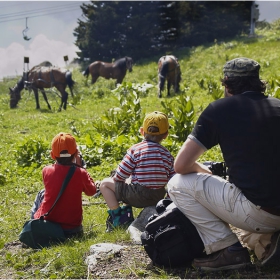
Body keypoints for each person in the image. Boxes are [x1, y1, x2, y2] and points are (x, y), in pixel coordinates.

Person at [167, 57, 280, 271]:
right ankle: (268, 243)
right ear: (258, 81)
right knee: (254, 230)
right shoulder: (277, 105)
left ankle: (229, 250)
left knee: (177, 184)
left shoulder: (219, 109)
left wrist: (206, 172)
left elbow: (180, 165)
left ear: (226, 82)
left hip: (260, 212)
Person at [99, 111, 176, 231]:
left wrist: (116, 180)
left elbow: (120, 176)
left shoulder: (136, 149)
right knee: (131, 181)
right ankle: (127, 211)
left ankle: (119, 216)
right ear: (166, 134)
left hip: (138, 195)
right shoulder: (167, 154)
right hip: (158, 196)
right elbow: (174, 180)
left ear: (142, 131)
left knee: (104, 184)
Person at [31, 132, 97, 238]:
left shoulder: (46, 170)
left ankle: (34, 225)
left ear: (52, 155)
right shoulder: (80, 172)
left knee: (41, 194)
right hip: (73, 230)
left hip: (48, 225)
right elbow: (92, 191)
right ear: (76, 153)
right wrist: (82, 168)